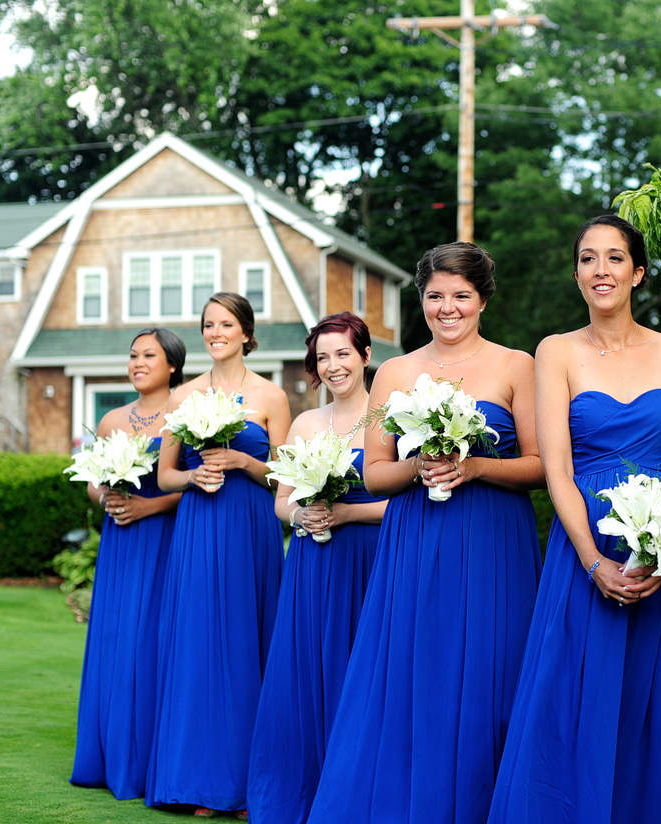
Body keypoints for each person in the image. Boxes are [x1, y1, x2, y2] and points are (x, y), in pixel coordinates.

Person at [487, 215, 661, 823]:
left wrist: (660, 546)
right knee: (573, 699)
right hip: (584, 546)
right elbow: (557, 472)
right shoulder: (556, 352)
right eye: (589, 259)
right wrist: (595, 561)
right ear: (576, 274)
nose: (602, 269)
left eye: (616, 258)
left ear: (638, 273)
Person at [306, 242, 544, 824]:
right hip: (417, 541)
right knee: (416, 676)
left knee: (496, 676)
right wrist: (420, 467)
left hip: (495, 541)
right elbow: (376, 471)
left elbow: (541, 466)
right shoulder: (394, 371)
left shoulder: (518, 365)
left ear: (483, 299)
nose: (447, 308)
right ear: (422, 300)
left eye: (461, 296)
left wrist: (477, 466)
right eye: (435, 296)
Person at [144, 293, 291, 817]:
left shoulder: (272, 397)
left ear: (247, 332)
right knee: (201, 643)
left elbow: (284, 475)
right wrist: (194, 474)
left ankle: (251, 781)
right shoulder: (180, 397)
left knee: (250, 641)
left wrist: (239, 462)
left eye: (226, 324)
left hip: (251, 527)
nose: (215, 332)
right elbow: (164, 475)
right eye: (208, 325)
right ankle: (202, 780)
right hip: (201, 528)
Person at [247, 312, 389, 824]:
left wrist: (349, 511)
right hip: (315, 563)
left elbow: (406, 501)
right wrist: (300, 512)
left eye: (343, 354)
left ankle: (358, 796)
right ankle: (301, 793)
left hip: (374, 559)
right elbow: (281, 502)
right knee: (310, 672)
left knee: (366, 673)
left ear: (365, 355)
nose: (332, 366)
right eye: (322, 357)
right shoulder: (306, 424)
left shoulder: (390, 416)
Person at [70, 327, 186, 799]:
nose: (138, 362)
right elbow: (91, 478)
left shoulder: (186, 411)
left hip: (165, 535)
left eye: (149, 355)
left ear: (172, 364)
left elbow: (191, 483)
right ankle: (109, 754)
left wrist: (148, 507)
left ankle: (149, 762)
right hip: (121, 540)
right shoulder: (112, 418)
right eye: (133, 355)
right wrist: (108, 499)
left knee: (155, 640)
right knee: (118, 639)